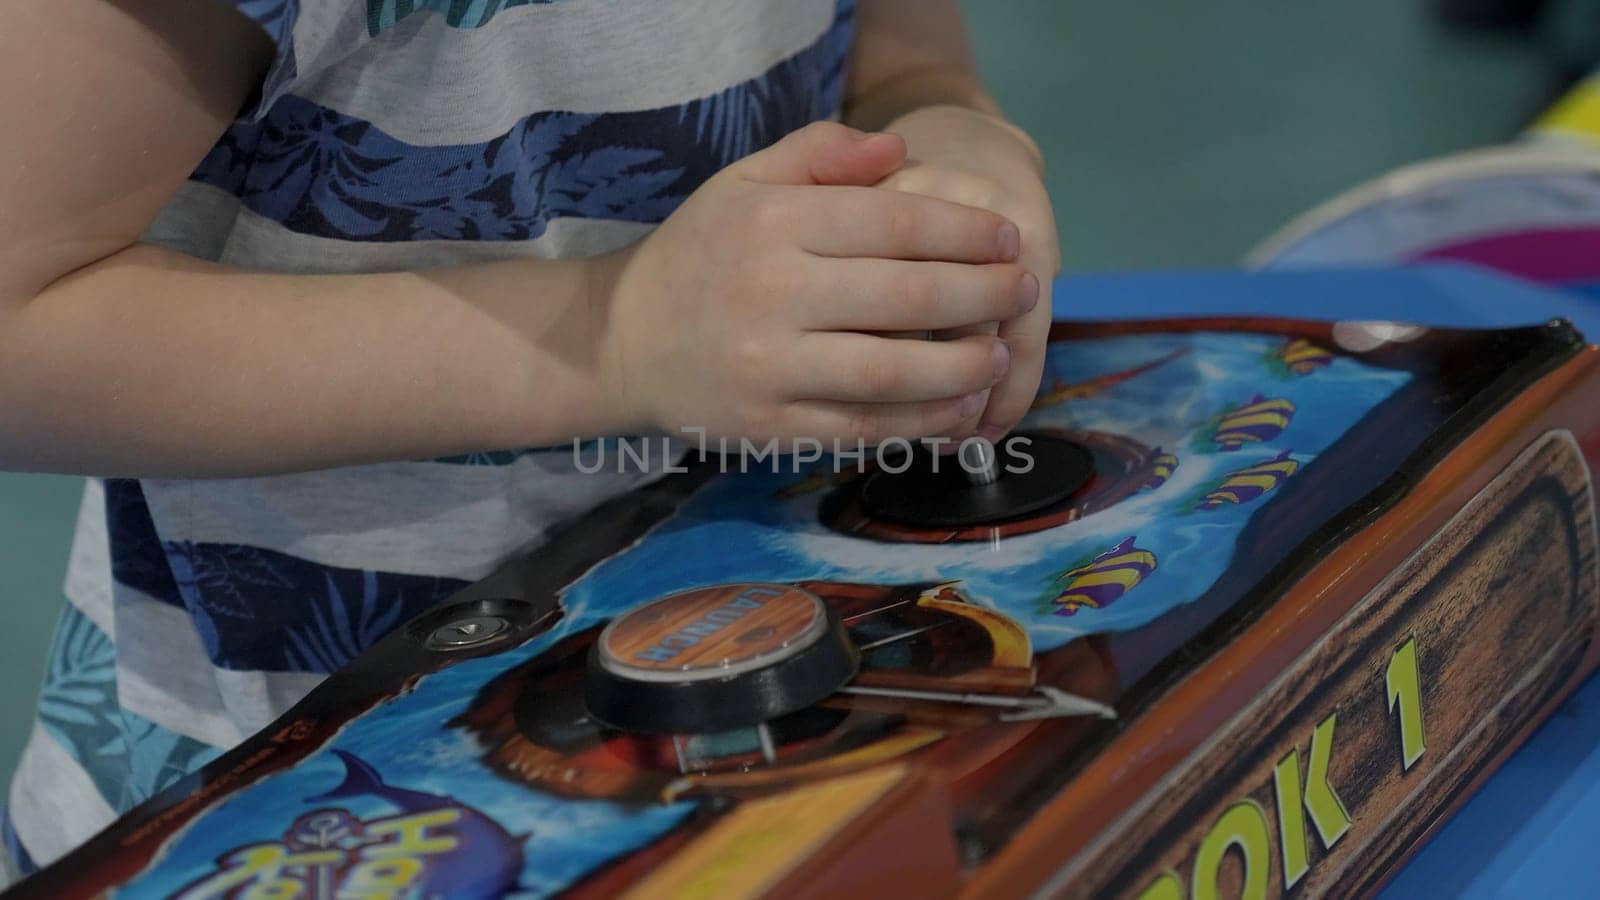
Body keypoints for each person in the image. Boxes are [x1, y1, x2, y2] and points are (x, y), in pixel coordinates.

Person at [0, 0, 1057, 875]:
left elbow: (900, 66)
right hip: (286, 804)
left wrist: (956, 143)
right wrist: (613, 332)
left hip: (734, 727)